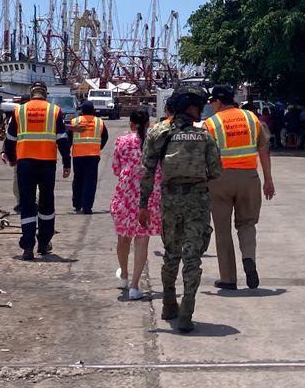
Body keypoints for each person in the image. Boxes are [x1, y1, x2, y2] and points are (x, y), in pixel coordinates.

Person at [141, 87, 223, 333]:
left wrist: (142, 206)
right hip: (197, 201)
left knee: (171, 253)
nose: (200, 111)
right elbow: (216, 171)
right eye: (198, 106)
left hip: (169, 201)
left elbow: (147, 171)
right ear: (191, 107)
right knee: (192, 258)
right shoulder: (205, 135)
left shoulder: (158, 132)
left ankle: (168, 303)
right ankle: (187, 313)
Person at [203, 85, 276, 290]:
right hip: (249, 178)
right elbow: (264, 150)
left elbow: (203, 156)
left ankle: (228, 279)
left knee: (223, 230)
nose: (211, 105)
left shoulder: (211, 123)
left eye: (212, 101)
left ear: (218, 101)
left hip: (219, 181)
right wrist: (268, 180)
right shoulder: (252, 119)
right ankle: (248, 258)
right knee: (247, 224)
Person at [3, 82, 70, 260]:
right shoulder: (54, 111)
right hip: (47, 163)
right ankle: (43, 243)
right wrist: (67, 162)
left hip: (25, 163)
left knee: (27, 205)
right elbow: (62, 138)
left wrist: (11, 158)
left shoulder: (20, 111)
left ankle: (27, 247)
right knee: (47, 204)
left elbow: (10, 139)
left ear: (31, 94)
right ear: (45, 94)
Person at [111, 108, 159, 300]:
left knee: (123, 238)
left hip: (126, 194)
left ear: (131, 123)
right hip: (149, 195)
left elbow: (116, 168)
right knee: (142, 239)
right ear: (148, 123)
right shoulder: (154, 142)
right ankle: (135, 285)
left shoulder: (122, 141)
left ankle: (124, 274)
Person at [69, 101, 109, 215]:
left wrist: (67, 151)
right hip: (93, 156)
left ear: (81, 110)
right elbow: (105, 137)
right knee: (90, 182)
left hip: (78, 156)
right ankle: (87, 207)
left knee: (78, 180)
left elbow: (68, 138)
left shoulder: (75, 121)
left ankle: (77, 204)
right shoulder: (99, 122)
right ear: (93, 110)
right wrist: (98, 147)